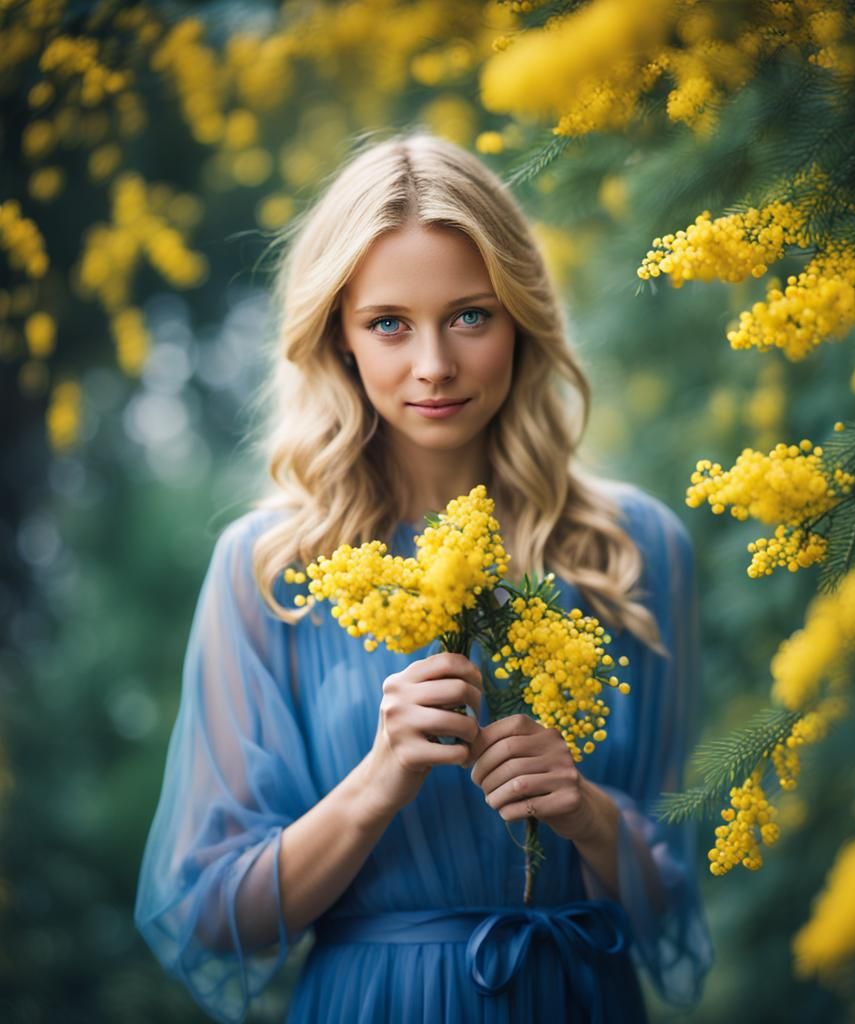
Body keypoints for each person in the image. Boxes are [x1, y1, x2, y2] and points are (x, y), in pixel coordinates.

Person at [134, 128, 714, 1023]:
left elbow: (675, 900)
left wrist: (586, 813)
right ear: (340, 337)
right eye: (390, 324)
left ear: (521, 318)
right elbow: (215, 918)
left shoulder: (632, 553)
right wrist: (378, 781)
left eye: (471, 315)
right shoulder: (271, 574)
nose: (434, 365)